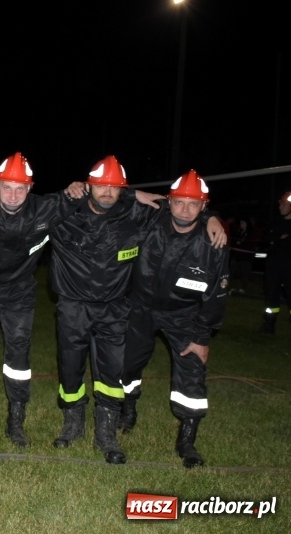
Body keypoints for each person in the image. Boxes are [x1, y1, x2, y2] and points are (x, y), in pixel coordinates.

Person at [47, 155, 226, 465]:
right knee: (82, 367)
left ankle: (113, 434)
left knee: (114, 371)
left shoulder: (158, 223)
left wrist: (213, 217)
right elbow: (30, 208)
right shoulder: (75, 212)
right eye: (101, 186)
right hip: (100, 308)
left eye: (115, 188)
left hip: (140, 310)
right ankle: (77, 423)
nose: (107, 192)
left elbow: (215, 291)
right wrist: (72, 191)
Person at [0, 152, 85, 448]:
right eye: (6, 187)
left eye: (20, 188)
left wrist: (80, 185)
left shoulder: (46, 209)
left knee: (18, 356)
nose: (12, 195)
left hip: (20, 292)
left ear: (30, 188)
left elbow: (106, 193)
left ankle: (15, 419)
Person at [119, 170, 230, 468]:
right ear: (169, 202)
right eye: (179, 202)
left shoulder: (213, 243)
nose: (185, 209)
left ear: (203, 207)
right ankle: (127, 410)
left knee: (192, 371)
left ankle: (187, 441)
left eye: (193, 205)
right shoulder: (150, 219)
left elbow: (216, 296)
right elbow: (107, 199)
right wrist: (132, 194)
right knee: (128, 362)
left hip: (183, 314)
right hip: (140, 307)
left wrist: (201, 337)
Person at [259, 191, 291, 333]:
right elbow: (266, 239)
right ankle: (269, 325)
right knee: (271, 295)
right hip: (273, 265)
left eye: (284, 204)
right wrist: (279, 238)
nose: (280, 206)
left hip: (289, 266)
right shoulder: (276, 222)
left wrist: (277, 239)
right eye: (280, 203)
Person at [228, 217, 254, 294]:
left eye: (243, 223)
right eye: (240, 223)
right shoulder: (239, 232)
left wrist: (241, 243)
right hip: (236, 257)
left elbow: (250, 244)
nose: (241, 224)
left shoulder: (250, 233)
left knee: (244, 274)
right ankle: (232, 287)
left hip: (246, 258)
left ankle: (243, 288)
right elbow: (234, 241)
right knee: (232, 273)